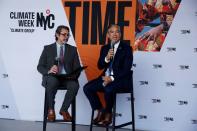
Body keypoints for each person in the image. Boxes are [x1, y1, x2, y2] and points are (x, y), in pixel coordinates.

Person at [83, 24, 133, 126]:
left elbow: (126, 69)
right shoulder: (105, 48)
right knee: (87, 88)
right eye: (112, 32)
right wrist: (106, 58)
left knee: (108, 89)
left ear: (120, 34)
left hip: (120, 80)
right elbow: (100, 66)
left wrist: (111, 78)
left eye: (117, 31)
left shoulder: (127, 48)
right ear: (108, 35)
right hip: (104, 77)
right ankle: (100, 110)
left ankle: (108, 113)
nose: (115, 34)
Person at [37, 25, 81, 122]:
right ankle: (51, 110)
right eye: (63, 34)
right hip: (52, 77)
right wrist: (49, 70)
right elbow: (40, 66)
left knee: (74, 85)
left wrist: (73, 76)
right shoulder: (47, 48)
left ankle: (64, 110)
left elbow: (77, 68)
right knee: (52, 81)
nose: (66, 37)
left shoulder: (73, 50)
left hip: (67, 78)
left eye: (68, 35)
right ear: (57, 34)